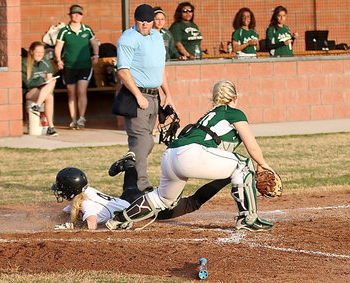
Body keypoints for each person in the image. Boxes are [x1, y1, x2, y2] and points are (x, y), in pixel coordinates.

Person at [107, 80, 275, 232]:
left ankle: (119, 218)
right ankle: (248, 218)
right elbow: (251, 147)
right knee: (244, 165)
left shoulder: (208, 116)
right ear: (235, 98)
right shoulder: (233, 113)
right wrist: (263, 164)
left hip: (170, 155)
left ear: (214, 98)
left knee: (162, 199)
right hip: (192, 154)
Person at [114, 4, 176, 192]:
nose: (145, 24)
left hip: (154, 96)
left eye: (148, 21)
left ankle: (129, 174)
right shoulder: (128, 39)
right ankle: (142, 185)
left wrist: (168, 94)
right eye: (141, 21)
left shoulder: (157, 36)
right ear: (135, 20)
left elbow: (160, 68)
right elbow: (123, 71)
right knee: (142, 141)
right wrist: (138, 95)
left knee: (144, 142)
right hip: (136, 96)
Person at [52, 152, 143, 230]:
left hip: (136, 208)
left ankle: (130, 166)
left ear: (71, 190)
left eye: (61, 189)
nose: (60, 191)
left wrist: (71, 225)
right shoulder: (84, 192)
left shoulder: (86, 203)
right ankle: (129, 165)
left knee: (153, 202)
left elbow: (92, 225)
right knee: (130, 188)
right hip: (124, 203)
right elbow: (64, 214)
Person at [54, 4, 99, 129]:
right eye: (74, 13)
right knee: (71, 93)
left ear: (82, 15)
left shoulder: (87, 29)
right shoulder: (64, 31)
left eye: (79, 14)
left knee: (81, 91)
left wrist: (96, 55)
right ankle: (73, 119)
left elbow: (94, 42)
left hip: (84, 65)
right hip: (69, 66)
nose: (77, 16)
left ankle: (81, 118)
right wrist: (58, 60)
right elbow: (58, 47)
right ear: (70, 15)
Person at [22, 41, 58, 136]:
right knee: (49, 90)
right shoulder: (25, 63)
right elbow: (28, 83)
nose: (40, 54)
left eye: (42, 52)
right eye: (38, 52)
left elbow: (50, 77)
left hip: (44, 90)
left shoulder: (45, 61)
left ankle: (51, 126)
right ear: (31, 52)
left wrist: (47, 81)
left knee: (50, 94)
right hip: (30, 91)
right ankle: (38, 107)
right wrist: (43, 80)